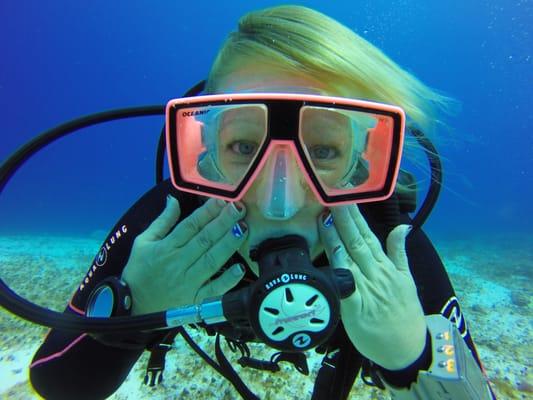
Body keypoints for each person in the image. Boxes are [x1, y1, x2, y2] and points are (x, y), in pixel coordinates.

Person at [29, 5, 496, 400]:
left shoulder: (386, 243)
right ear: (204, 147)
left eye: (325, 151)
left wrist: (412, 353)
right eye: (244, 147)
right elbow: (55, 377)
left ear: (364, 160)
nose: (280, 202)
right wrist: (135, 307)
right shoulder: (172, 222)